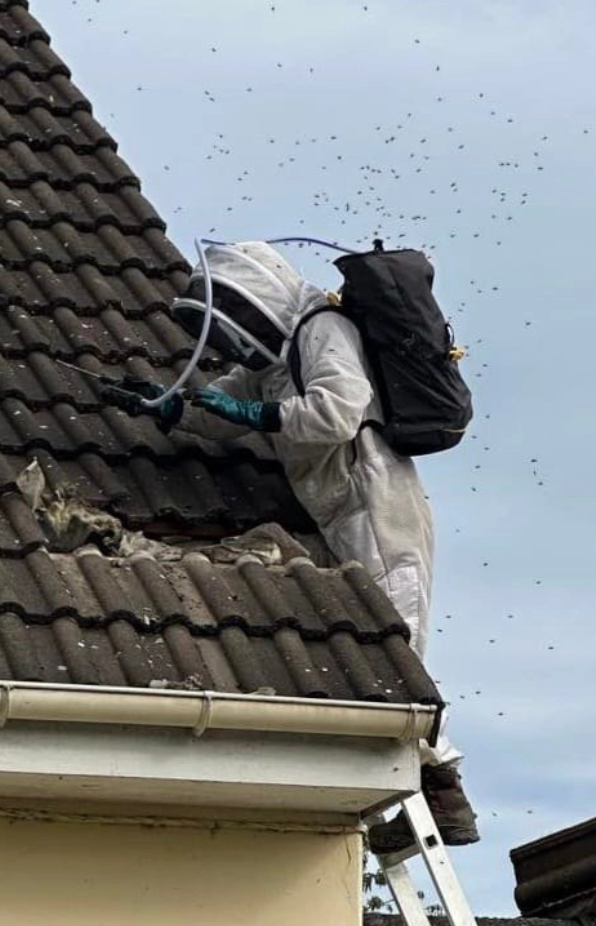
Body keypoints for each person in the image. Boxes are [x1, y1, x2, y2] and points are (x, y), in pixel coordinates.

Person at [104, 240, 477, 852]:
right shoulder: (279, 354)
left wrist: (259, 414)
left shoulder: (320, 330)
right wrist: (171, 408)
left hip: (377, 503)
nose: (237, 334)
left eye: (239, 317)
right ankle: (411, 808)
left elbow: (336, 413)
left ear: (258, 296)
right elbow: (226, 404)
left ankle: (444, 799)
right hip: (340, 507)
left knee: (396, 643)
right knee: (372, 647)